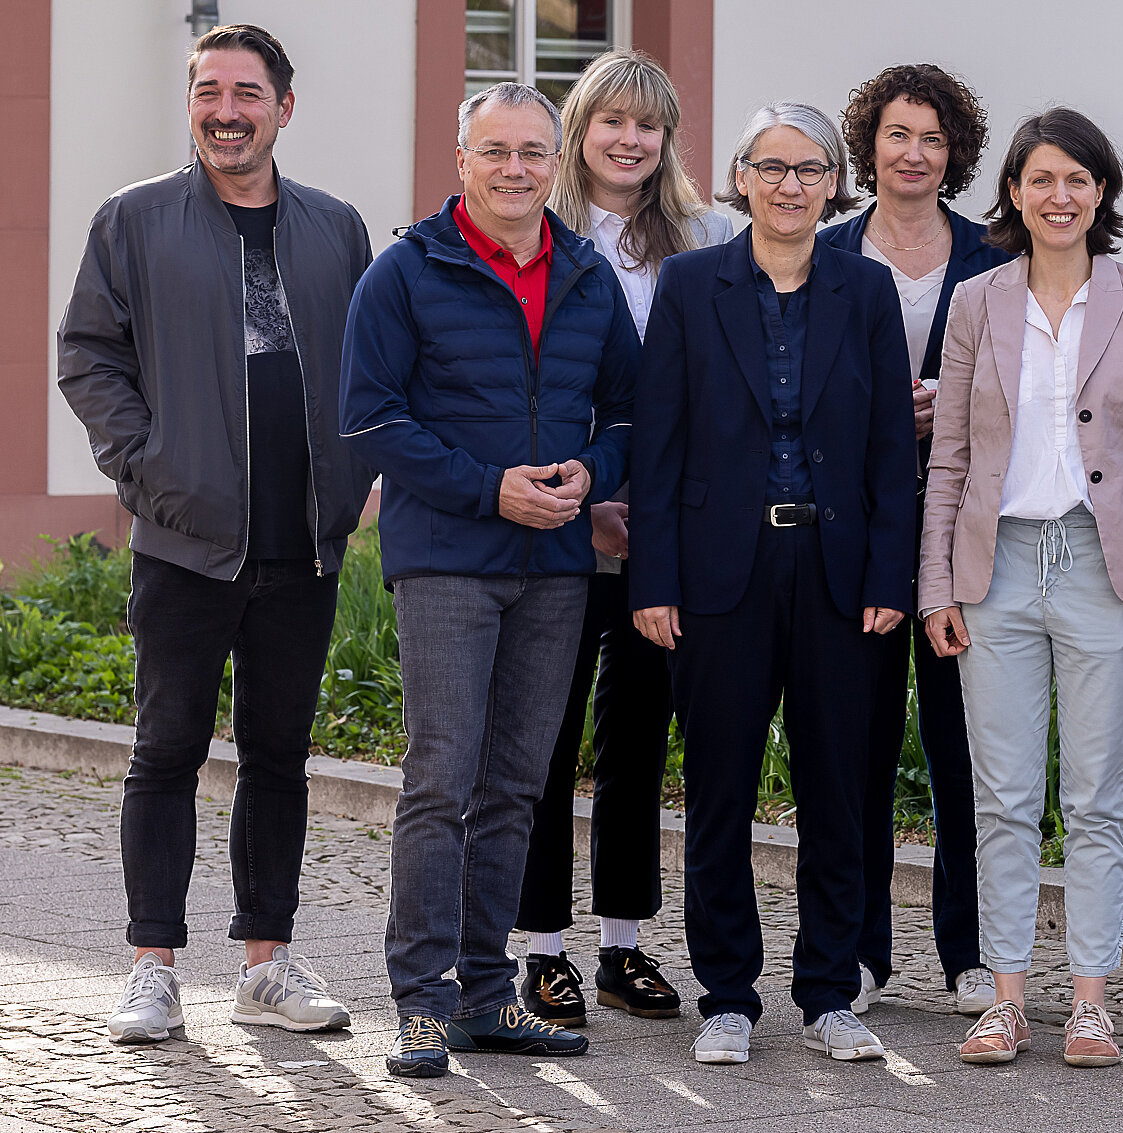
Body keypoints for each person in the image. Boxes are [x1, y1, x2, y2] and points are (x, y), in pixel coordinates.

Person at [57, 23, 373, 1046]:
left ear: (285, 106)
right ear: (191, 103)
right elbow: (88, 353)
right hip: (186, 541)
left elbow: (369, 374)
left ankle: (267, 967)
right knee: (166, 751)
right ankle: (152, 968)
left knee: (279, 755)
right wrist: (149, 471)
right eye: (208, 90)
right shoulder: (134, 220)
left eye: (246, 91)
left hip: (304, 544)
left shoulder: (335, 227)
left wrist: (353, 480)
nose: (225, 109)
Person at [340, 81, 637, 1079]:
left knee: (515, 785)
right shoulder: (406, 272)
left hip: (556, 566)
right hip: (448, 563)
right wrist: (487, 490)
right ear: (460, 159)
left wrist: (593, 472)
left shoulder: (590, 275)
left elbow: (633, 414)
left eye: (533, 152)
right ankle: (419, 1004)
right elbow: (371, 418)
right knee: (442, 778)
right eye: (495, 150)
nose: (516, 169)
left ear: (558, 164)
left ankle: (482, 992)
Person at [627, 102, 914, 1068]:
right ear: (739, 178)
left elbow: (886, 451)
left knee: (841, 788)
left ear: (835, 184)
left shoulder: (866, 290)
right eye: (772, 167)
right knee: (719, 790)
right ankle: (727, 997)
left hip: (839, 574)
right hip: (718, 570)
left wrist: (888, 573)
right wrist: (652, 579)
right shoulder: (690, 283)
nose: (791, 185)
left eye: (811, 169)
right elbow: (657, 445)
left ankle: (830, 992)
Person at [920, 108, 1123, 1069]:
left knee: (1095, 794)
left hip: (1103, 565)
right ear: (1015, 193)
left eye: (1078, 179)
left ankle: (1089, 1000)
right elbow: (948, 457)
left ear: (1103, 193)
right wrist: (935, 586)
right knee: (998, 795)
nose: (1060, 195)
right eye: (1042, 179)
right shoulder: (975, 302)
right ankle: (1003, 998)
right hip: (992, 568)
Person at [515, 46, 734, 1031]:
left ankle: (621, 945)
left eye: (648, 125)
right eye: (613, 120)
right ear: (580, 129)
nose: (631, 139)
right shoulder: (535, 234)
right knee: (546, 740)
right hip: (559, 523)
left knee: (638, 741)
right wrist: (588, 493)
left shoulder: (700, 240)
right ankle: (542, 953)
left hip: (663, 535)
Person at [821, 62, 1012, 1019]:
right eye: (899, 134)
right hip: (849, 535)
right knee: (855, 744)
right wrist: (872, 415)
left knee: (963, 744)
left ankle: (970, 950)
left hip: (964, 529)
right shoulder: (818, 249)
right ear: (871, 146)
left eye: (933, 139)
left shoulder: (993, 253)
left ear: (955, 155)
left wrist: (962, 407)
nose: (914, 153)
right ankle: (858, 951)